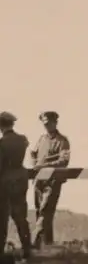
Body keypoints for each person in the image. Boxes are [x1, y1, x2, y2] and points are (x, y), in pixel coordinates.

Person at [30, 111, 70, 250]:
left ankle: (34, 242)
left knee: (45, 210)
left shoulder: (62, 141)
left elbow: (64, 161)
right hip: (39, 180)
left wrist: (44, 166)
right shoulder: (41, 139)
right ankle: (48, 244)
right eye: (44, 124)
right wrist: (34, 163)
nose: (46, 126)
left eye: (49, 123)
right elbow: (33, 152)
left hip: (53, 181)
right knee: (39, 210)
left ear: (55, 122)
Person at [0, 112, 32, 262]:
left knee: (2, 219)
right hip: (20, 180)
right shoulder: (22, 140)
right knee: (21, 217)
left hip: (5, 183)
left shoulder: (2, 143)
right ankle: (27, 249)